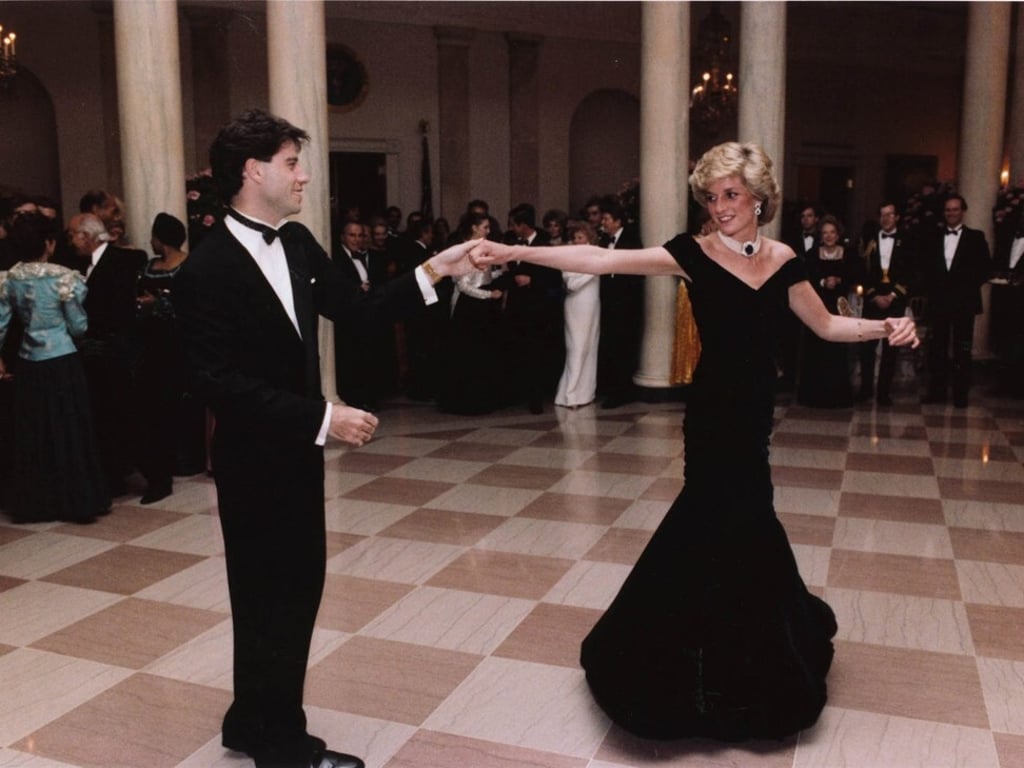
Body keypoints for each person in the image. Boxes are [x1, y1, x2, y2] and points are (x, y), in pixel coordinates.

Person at [469, 141, 918, 742]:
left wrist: (885, 326)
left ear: (759, 199)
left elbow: (828, 324)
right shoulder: (693, 253)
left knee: (750, 518)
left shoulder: (785, 259)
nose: (720, 206)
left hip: (755, 414)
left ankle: (756, 651)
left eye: (732, 194)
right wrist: (513, 250)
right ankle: (684, 659)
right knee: (714, 518)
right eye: (711, 196)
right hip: (712, 414)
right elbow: (601, 259)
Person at [173, 109, 476, 768]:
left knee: (292, 590)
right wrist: (322, 417)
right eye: (291, 163)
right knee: (271, 596)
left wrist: (436, 270)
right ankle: (282, 746)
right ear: (253, 171)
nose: (304, 175)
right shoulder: (206, 269)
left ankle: (251, 721)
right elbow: (214, 382)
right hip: (254, 463)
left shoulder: (299, 242)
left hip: (296, 458)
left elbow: (361, 311)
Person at [0, 212, 109, 524]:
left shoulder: (11, 278)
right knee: (68, 428)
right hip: (62, 361)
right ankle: (78, 500)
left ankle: (37, 503)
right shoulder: (64, 277)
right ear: (49, 244)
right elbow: (78, 326)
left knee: (35, 432)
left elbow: (1, 324)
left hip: (28, 362)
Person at [69, 212, 147, 496]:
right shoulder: (84, 265)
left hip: (114, 351)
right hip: (98, 353)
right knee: (104, 415)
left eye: (73, 235)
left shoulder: (119, 260)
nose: (70, 241)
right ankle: (112, 474)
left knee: (118, 413)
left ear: (86, 236)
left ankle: (126, 472)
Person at [134, 212, 190, 504]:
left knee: (171, 407)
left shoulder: (189, 265)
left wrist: (159, 305)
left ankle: (173, 466)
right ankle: (157, 469)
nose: (150, 241)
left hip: (178, 346)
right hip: (148, 346)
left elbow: (192, 306)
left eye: (154, 236)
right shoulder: (148, 266)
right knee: (149, 408)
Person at [920, 193, 992, 407]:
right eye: (948, 210)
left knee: (962, 350)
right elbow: (926, 268)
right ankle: (937, 392)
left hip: (964, 303)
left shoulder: (976, 237)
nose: (951, 213)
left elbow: (984, 269)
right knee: (937, 349)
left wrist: (963, 287)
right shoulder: (933, 236)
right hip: (939, 302)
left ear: (963, 211)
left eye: (955, 209)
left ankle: (961, 396)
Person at [436, 211, 504, 414]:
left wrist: (501, 271)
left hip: (481, 308)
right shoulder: (463, 251)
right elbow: (464, 285)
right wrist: (489, 295)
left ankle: (482, 399)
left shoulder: (482, 249)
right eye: (485, 227)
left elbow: (483, 276)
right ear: (474, 228)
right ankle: (465, 401)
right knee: (468, 354)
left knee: (481, 354)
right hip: (468, 308)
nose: (488, 231)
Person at [857, 201, 914, 405]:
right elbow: (860, 269)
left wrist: (892, 295)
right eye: (882, 214)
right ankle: (865, 390)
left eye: (890, 214)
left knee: (891, 349)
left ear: (897, 217)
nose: (885, 218)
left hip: (895, 302)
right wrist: (873, 295)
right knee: (867, 347)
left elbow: (911, 271)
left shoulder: (907, 241)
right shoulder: (868, 239)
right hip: (873, 301)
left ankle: (884, 393)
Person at [797, 215, 855, 408]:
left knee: (837, 350)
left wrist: (839, 281)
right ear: (820, 236)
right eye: (825, 233)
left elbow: (855, 276)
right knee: (816, 349)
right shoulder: (812, 254)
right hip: (817, 306)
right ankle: (814, 396)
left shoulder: (848, 254)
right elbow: (805, 279)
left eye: (832, 232)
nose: (829, 236)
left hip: (839, 307)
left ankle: (837, 396)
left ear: (838, 234)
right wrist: (823, 282)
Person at [596, 195, 644, 408]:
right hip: (608, 301)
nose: (603, 223)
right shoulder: (603, 241)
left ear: (618, 221)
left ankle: (622, 391)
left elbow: (637, 271)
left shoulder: (631, 241)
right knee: (610, 344)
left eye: (606, 219)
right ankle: (611, 388)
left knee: (624, 346)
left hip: (626, 303)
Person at [555, 220, 600, 408]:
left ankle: (586, 393)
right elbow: (572, 284)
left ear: (589, 238)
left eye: (581, 237)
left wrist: (595, 268)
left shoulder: (597, 255)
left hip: (592, 305)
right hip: (575, 305)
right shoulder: (568, 257)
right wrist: (593, 270)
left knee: (590, 347)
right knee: (577, 348)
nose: (577, 240)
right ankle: (569, 395)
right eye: (575, 237)